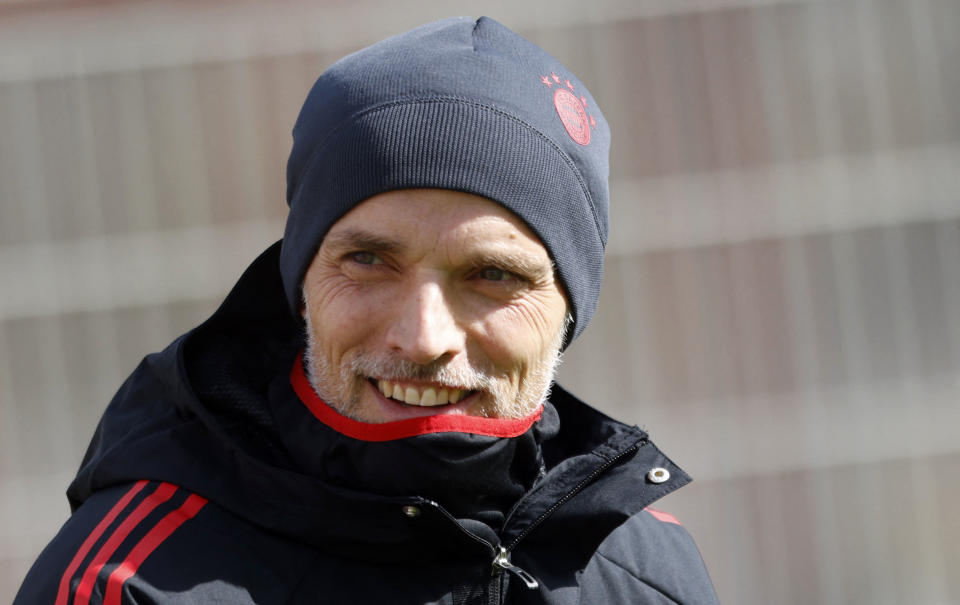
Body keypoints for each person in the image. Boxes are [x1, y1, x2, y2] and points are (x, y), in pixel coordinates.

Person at [15, 16, 719, 605]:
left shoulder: (646, 572)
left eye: (493, 273)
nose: (422, 337)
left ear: (570, 304)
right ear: (299, 282)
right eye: (370, 260)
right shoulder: (127, 584)